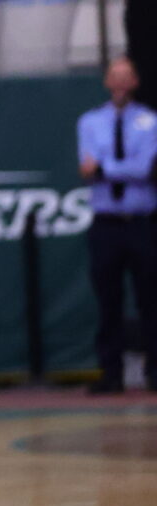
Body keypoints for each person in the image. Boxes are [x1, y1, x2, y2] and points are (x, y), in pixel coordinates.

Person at [77, 54, 156, 396]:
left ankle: (155, 371)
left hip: (141, 221)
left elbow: (146, 169)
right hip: (106, 224)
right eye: (115, 76)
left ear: (135, 82)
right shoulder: (90, 122)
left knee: (150, 298)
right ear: (107, 81)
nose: (121, 82)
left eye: (127, 76)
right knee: (107, 300)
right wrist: (120, 168)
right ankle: (111, 373)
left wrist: (106, 169)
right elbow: (86, 168)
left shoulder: (151, 121)